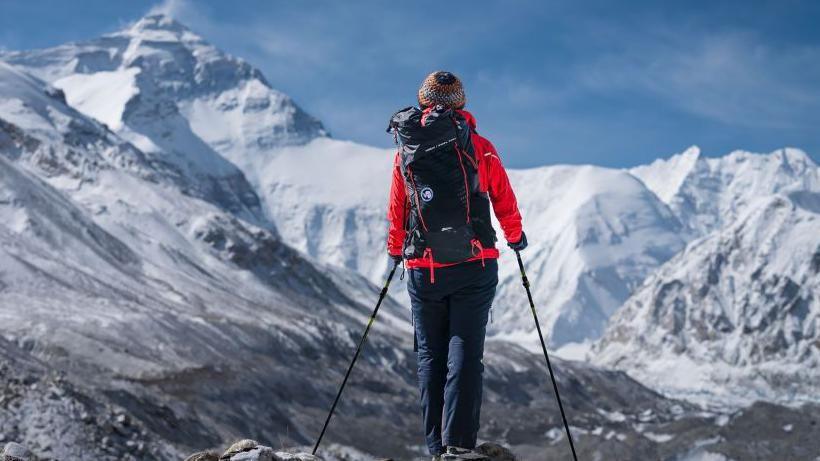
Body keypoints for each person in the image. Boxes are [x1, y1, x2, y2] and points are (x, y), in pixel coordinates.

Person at [385, 71, 527, 460]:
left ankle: (435, 448)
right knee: (465, 352)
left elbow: (399, 207)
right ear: (460, 104)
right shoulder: (480, 147)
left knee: (430, 356)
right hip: (474, 265)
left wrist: (396, 249)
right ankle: (459, 445)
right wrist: (515, 237)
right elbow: (503, 197)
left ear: (423, 100)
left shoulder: (406, 150)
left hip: (423, 268)